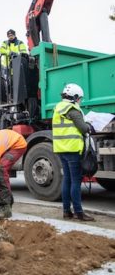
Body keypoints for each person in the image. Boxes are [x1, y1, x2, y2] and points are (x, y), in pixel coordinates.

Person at [52, 83, 95, 221]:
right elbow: (83, 128)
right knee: (76, 181)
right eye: (80, 98)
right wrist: (89, 125)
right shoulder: (72, 109)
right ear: (75, 97)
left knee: (67, 180)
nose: (80, 101)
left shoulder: (58, 108)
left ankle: (66, 211)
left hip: (61, 149)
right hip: (72, 149)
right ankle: (79, 212)